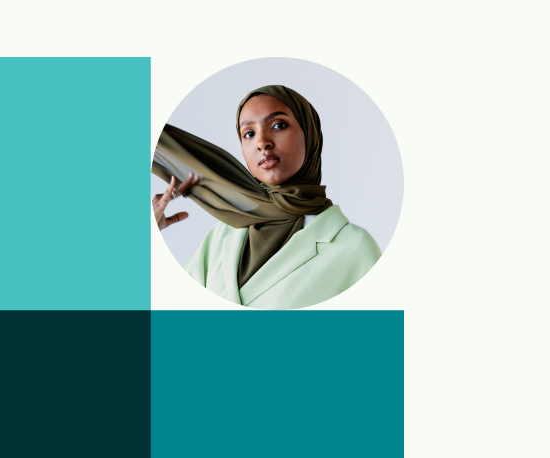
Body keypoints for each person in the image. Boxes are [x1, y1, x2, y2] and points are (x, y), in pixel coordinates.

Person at [152, 84, 383, 309]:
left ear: (309, 134)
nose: (262, 142)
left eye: (279, 125)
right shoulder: (220, 237)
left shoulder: (355, 248)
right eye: (249, 133)